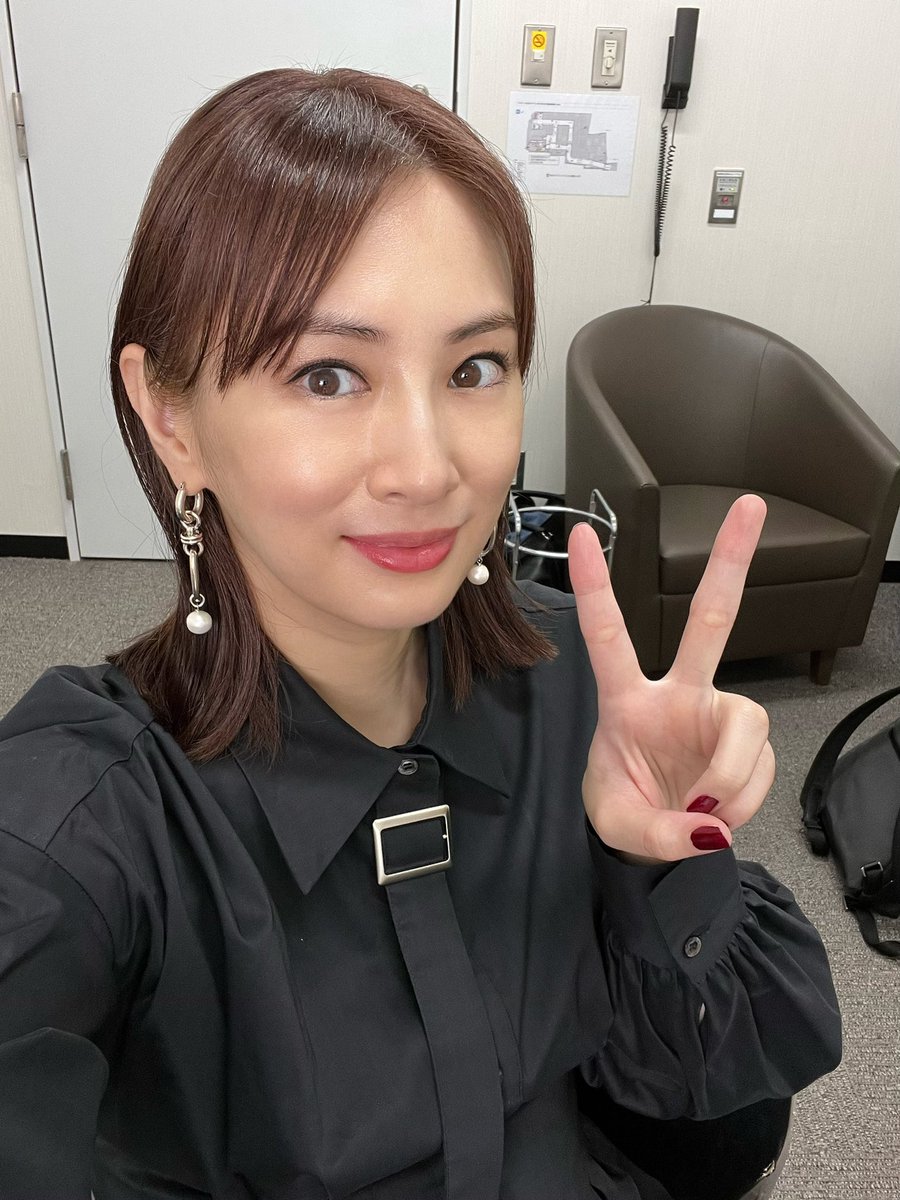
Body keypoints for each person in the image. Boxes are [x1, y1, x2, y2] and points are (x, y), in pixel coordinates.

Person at [0, 68, 841, 1200]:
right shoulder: (86, 822)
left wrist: (654, 863)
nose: (429, 467)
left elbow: (712, 1098)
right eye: (328, 375)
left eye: (474, 368)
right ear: (171, 417)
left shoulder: (569, 683)